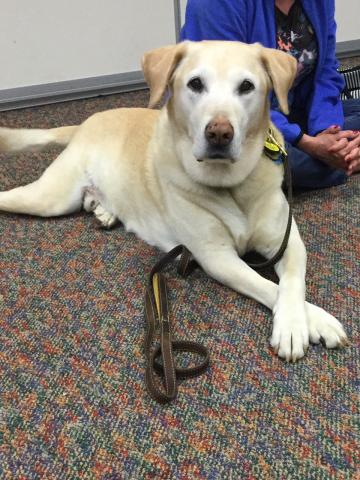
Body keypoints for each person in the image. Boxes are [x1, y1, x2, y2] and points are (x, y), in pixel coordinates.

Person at [180, 0, 360, 188]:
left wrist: (326, 132)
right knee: (289, 166)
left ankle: (338, 156)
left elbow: (326, 71)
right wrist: (305, 141)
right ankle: (345, 161)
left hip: (293, 110)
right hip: (230, 122)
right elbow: (228, 94)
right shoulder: (215, 5)